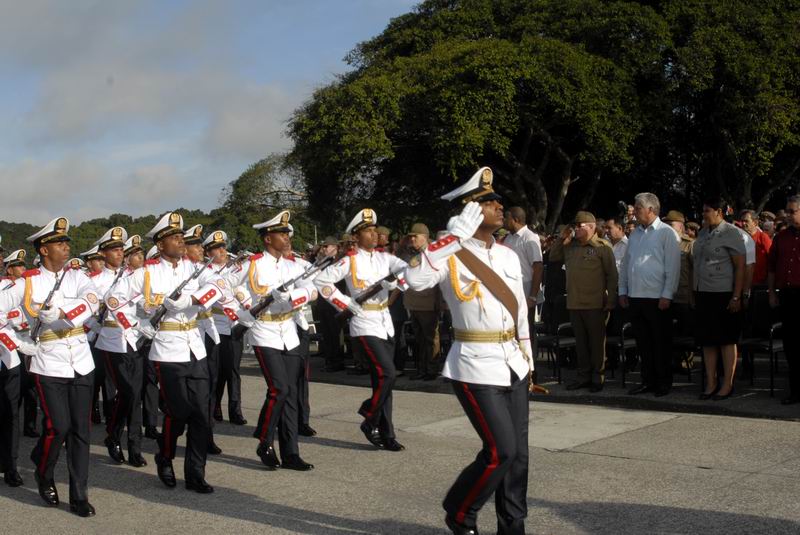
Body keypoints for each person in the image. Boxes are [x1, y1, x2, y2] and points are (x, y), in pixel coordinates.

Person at [405, 167, 532, 535]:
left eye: (496, 201)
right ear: (470, 212)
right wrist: (451, 238)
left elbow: (520, 309)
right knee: (500, 451)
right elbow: (415, 280)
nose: (498, 206)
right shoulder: (449, 253)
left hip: (513, 363)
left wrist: (527, 356)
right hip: (474, 366)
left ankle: (513, 527)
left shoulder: (508, 256)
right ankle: (460, 511)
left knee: (519, 458)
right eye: (488, 202)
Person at [107, 212, 225, 493]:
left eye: (181, 236)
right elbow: (114, 300)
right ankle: (166, 455)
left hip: (195, 346)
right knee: (179, 411)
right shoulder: (145, 273)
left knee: (201, 414)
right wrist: (136, 325)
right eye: (174, 238)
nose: (180, 241)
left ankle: (196, 472)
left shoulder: (194, 269)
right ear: (160, 245)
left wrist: (193, 298)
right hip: (166, 350)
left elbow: (220, 286)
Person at [0, 217, 100, 516]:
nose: (66, 246)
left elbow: (93, 301)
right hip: (48, 362)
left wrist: (62, 312)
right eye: (59, 243)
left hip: (81, 360)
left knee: (81, 430)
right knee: (58, 427)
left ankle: (79, 493)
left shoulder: (77, 277)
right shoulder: (26, 282)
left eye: (66, 242)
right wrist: (16, 342)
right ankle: (44, 471)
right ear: (44, 249)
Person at [224, 210, 317, 471]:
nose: (287, 238)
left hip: (288, 329)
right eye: (281, 233)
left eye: (288, 233)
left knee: (289, 392)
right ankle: (265, 440)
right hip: (264, 330)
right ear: (267, 238)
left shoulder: (294, 265)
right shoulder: (251, 264)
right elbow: (221, 285)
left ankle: (291, 452)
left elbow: (315, 287)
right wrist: (241, 312)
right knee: (279, 389)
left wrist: (295, 297)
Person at [314, 208, 408, 452]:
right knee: (388, 373)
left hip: (384, 320)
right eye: (368, 230)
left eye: (375, 230)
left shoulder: (385, 258)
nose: (374, 234)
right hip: (364, 320)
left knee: (382, 380)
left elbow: (409, 270)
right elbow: (321, 281)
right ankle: (369, 415)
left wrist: (398, 281)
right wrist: (346, 304)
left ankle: (387, 433)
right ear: (356, 236)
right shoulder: (349, 260)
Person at [92, 227, 148, 468]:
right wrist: (97, 329)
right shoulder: (93, 281)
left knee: (136, 395)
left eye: (121, 249)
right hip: (111, 340)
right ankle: (113, 434)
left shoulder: (134, 276)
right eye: (114, 249)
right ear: (103, 253)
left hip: (135, 338)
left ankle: (135, 446)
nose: (119, 253)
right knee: (126, 392)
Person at [619, 193, 681, 397]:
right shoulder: (635, 234)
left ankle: (663, 382)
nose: (634, 212)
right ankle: (647, 380)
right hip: (636, 296)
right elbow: (627, 264)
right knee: (643, 343)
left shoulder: (667, 233)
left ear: (651, 210)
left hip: (657, 298)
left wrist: (667, 295)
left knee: (660, 343)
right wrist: (623, 290)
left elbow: (673, 267)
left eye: (638, 208)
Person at [549, 211, 617, 391]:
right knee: (580, 344)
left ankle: (598, 378)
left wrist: (610, 300)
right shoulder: (570, 246)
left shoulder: (602, 247)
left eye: (580, 226)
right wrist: (561, 237)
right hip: (574, 302)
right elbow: (553, 256)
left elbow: (612, 276)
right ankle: (583, 376)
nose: (576, 229)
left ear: (592, 226)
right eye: (575, 226)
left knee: (596, 344)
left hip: (595, 304)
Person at [692, 198, 746, 400]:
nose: (704, 214)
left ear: (719, 212)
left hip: (723, 293)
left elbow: (740, 267)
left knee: (726, 340)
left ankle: (727, 384)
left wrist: (736, 296)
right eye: (703, 210)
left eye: (707, 210)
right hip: (703, 292)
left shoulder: (731, 232)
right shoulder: (703, 233)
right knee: (707, 340)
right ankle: (711, 382)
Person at [203, 231, 248, 426]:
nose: (221, 251)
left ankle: (235, 410)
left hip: (233, 326)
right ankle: (214, 408)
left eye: (223, 247)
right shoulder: (206, 272)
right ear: (208, 252)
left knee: (233, 371)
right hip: (214, 326)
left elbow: (243, 291)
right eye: (216, 248)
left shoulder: (234, 269)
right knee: (215, 372)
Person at [768, 195, 800, 405]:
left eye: (792, 211)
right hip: (788, 297)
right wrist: (771, 292)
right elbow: (771, 267)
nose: (788, 215)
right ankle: (795, 391)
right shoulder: (781, 237)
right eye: (787, 211)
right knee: (792, 346)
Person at [403, 223, 441, 380]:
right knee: (419, 339)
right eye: (410, 236)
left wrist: (440, 302)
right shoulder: (413, 253)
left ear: (424, 237)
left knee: (430, 338)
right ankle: (422, 369)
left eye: (415, 236)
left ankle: (431, 369)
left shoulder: (433, 254)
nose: (411, 239)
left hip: (428, 303)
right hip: (414, 303)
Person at [503, 207, 544, 317]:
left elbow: (538, 267)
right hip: (511, 289)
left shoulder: (529, 237)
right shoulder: (508, 238)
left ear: (515, 220)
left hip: (526, 291)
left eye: (506, 218)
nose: (503, 221)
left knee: (526, 329)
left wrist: (532, 296)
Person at [314, 237, 345, 372]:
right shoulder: (323, 262)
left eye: (327, 246)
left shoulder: (339, 262)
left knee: (335, 333)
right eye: (324, 246)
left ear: (335, 247)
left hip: (334, 304)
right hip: (323, 303)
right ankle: (329, 359)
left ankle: (337, 360)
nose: (324, 249)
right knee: (326, 333)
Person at [739, 209, 772, 288]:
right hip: (742, 283)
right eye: (742, 221)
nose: (743, 224)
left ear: (755, 222)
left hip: (759, 284)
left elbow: (772, 259)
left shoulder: (763, 238)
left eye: (746, 221)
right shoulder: (738, 239)